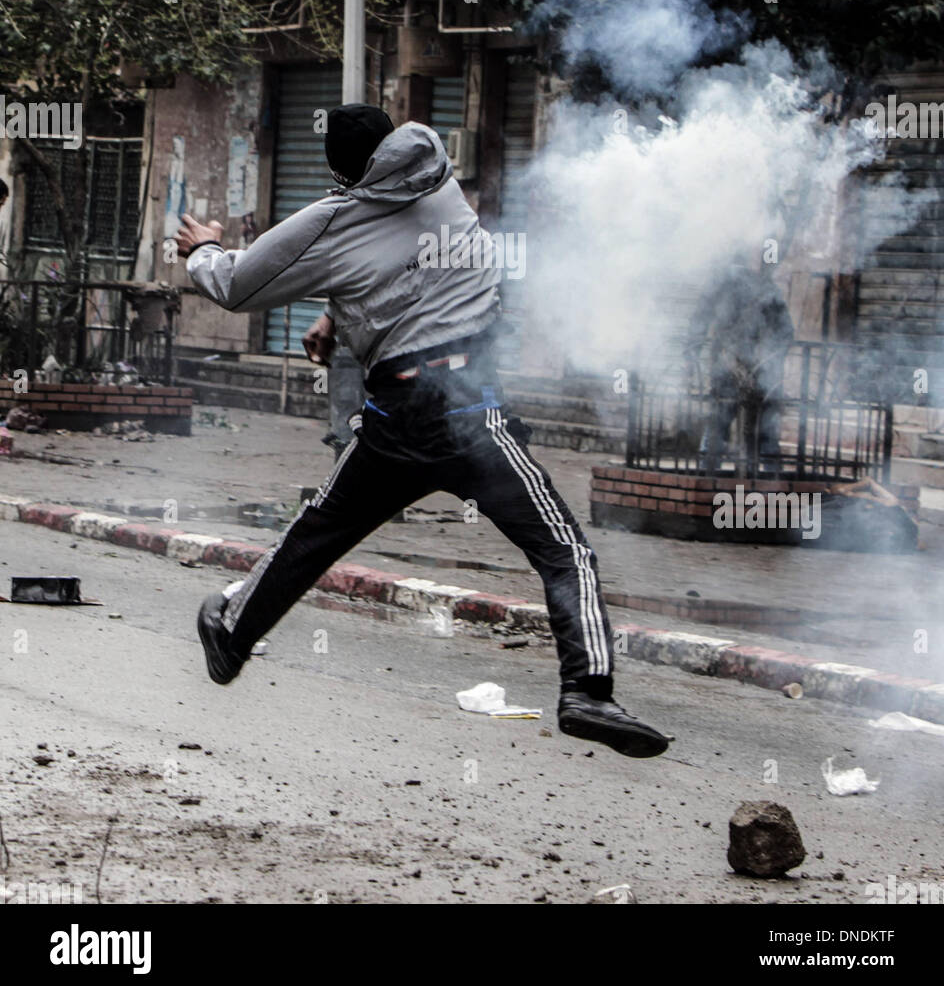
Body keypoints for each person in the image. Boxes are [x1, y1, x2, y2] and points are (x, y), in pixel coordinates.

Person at [175, 104, 669, 759]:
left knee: (318, 532)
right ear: (393, 141)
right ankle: (588, 693)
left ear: (338, 171)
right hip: (468, 409)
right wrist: (338, 317)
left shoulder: (332, 220)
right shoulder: (439, 179)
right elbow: (408, 270)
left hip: (397, 414)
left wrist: (204, 249)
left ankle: (234, 635)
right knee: (562, 551)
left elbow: (239, 285)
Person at [689, 257, 794, 474]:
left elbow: (785, 332)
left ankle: (713, 476)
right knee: (726, 426)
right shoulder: (727, 285)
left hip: (757, 372)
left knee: (754, 432)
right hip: (731, 369)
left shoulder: (763, 288)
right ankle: (712, 476)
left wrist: (769, 360)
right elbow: (700, 319)